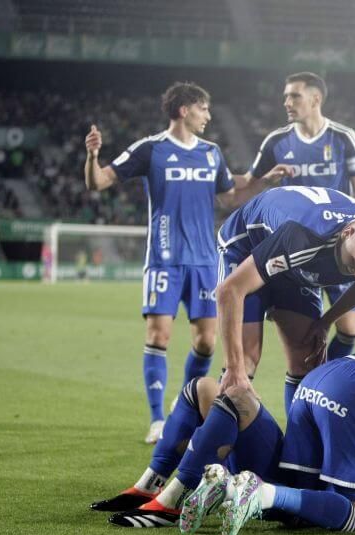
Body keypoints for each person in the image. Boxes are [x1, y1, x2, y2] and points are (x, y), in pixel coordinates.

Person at [89, 350, 355, 532]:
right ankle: (181, 491)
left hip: (324, 382)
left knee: (221, 394)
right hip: (353, 415)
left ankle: (168, 490)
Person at [84, 82, 241, 443]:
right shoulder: (150, 149)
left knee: (206, 342)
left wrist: (266, 180)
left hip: (204, 260)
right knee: (159, 335)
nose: (209, 115)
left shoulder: (212, 152)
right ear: (185, 110)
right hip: (164, 260)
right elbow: (99, 183)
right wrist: (93, 157)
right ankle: (157, 419)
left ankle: (183, 405)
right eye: (203, 108)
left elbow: (231, 194)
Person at [215, 186, 355, 417]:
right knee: (244, 363)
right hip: (248, 246)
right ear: (348, 232)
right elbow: (229, 291)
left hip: (293, 263)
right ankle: (206, 446)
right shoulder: (304, 236)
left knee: (307, 359)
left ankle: (296, 450)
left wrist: (327, 321)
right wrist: (234, 367)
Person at [233, 72, 355, 362]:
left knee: (350, 328)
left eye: (294, 95)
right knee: (301, 336)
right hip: (296, 245)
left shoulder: (343, 138)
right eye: (285, 96)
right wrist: (262, 181)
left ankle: (327, 376)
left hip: (340, 243)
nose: (287, 102)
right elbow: (248, 184)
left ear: (315, 99)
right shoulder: (276, 141)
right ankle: (315, 379)